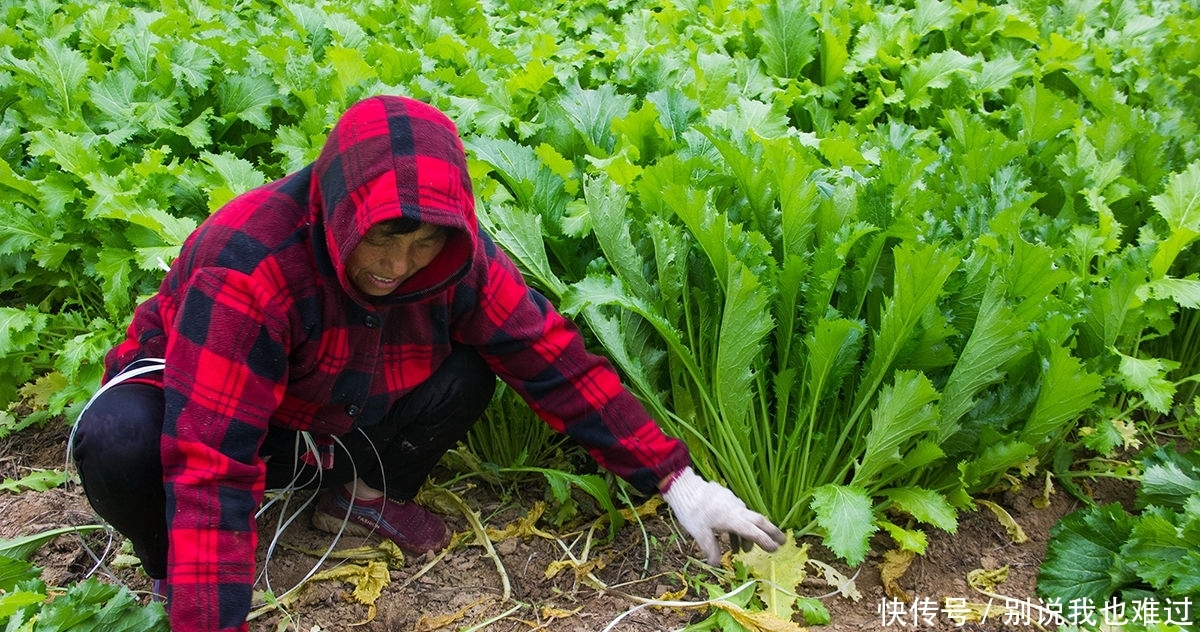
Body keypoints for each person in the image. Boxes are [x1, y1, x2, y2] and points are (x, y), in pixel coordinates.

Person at [70, 95, 785, 632]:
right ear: (343, 210)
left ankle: (358, 499)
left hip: (329, 412)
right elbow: (212, 460)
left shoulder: (458, 257)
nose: (397, 266)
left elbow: (552, 360)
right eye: (382, 241)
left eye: (422, 246)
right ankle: (173, 571)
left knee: (473, 368)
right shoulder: (249, 263)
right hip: (198, 412)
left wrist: (680, 483)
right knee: (119, 441)